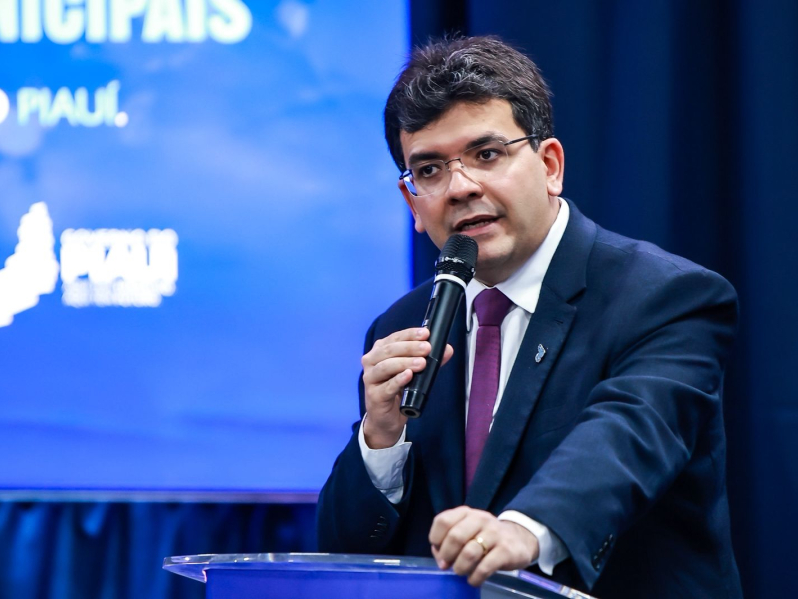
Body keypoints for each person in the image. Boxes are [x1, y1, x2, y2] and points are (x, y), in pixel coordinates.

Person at [317, 36, 743, 599]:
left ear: (549, 166)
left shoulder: (666, 297)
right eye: (430, 169)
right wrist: (381, 438)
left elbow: (631, 434)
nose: (460, 187)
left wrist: (523, 529)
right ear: (412, 202)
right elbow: (343, 554)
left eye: (486, 155)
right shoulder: (401, 325)